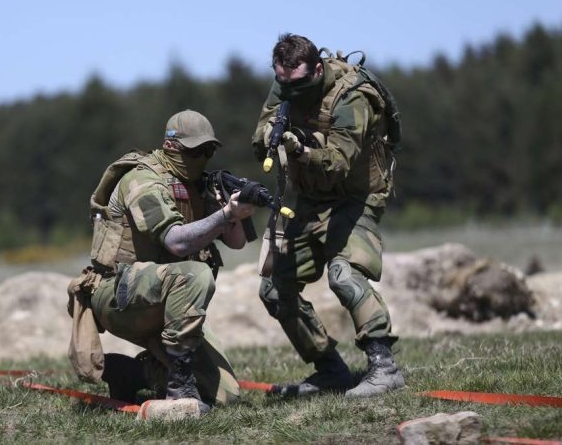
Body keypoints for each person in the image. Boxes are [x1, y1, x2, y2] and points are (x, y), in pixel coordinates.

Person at [67, 109, 256, 412]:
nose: (203, 158)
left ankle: (133, 374)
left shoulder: (195, 185)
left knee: (226, 395)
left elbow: (237, 242)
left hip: (167, 301)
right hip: (118, 294)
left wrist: (234, 212)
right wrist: (225, 215)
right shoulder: (143, 180)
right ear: (171, 146)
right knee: (194, 274)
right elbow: (176, 241)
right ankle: (179, 390)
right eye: (196, 151)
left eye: (209, 151)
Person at [251, 33, 405, 397]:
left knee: (343, 274)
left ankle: (384, 367)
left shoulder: (352, 96)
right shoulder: (286, 86)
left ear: (317, 70)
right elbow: (259, 139)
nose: (291, 93)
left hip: (355, 198)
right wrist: (271, 134)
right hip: (310, 199)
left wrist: (302, 150)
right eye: (283, 84)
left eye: (299, 85)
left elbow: (338, 162)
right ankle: (330, 369)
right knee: (275, 289)